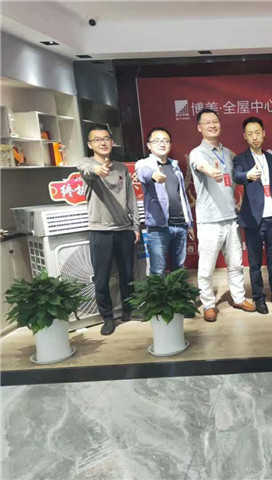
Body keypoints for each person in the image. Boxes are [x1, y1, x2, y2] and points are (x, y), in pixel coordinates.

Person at [189, 109, 256, 323]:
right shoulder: (197, 153)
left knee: (236, 263)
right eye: (207, 122)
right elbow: (199, 165)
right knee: (206, 268)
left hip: (231, 218)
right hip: (209, 220)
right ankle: (209, 304)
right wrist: (210, 171)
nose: (212, 125)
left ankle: (238, 298)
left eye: (215, 121)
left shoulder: (228, 153)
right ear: (199, 127)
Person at [77, 125, 140, 335]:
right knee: (102, 278)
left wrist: (136, 226)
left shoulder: (121, 168)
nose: (102, 142)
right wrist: (98, 170)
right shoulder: (87, 164)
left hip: (124, 230)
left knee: (127, 275)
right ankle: (107, 317)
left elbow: (131, 198)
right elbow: (86, 169)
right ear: (90, 144)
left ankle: (128, 311)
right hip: (100, 230)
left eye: (106, 138)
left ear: (112, 142)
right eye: (97, 139)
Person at [233, 116, 272, 314]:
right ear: (244, 136)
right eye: (250, 134)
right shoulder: (241, 159)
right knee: (255, 263)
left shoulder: (271, 158)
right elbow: (237, 175)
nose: (255, 137)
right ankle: (258, 297)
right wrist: (247, 176)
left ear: (264, 133)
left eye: (257, 132)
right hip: (254, 219)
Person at [135, 127, 194, 276]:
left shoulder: (175, 166)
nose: (162, 144)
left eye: (165, 141)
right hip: (159, 227)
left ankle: (178, 293)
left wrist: (189, 222)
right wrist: (154, 175)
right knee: (158, 271)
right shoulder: (144, 164)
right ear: (149, 145)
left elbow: (182, 196)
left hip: (180, 225)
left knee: (178, 270)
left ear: (170, 145)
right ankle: (159, 294)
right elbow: (143, 173)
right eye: (157, 141)